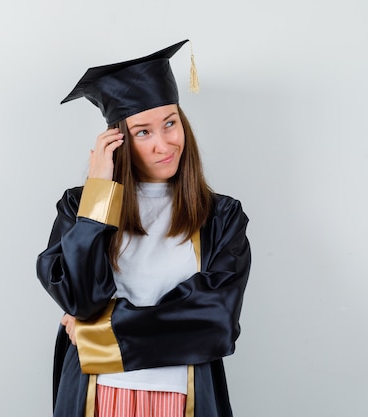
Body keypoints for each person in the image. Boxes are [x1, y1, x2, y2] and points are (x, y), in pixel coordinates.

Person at [36, 39, 251, 417]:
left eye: (170, 123)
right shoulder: (79, 205)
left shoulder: (221, 216)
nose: (164, 144)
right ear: (118, 142)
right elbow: (80, 299)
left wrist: (96, 334)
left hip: (183, 396)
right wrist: (100, 195)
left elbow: (215, 321)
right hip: (98, 396)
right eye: (143, 132)